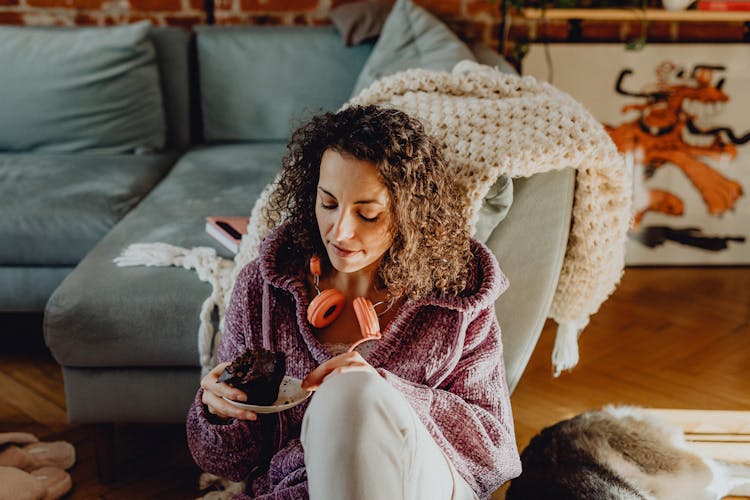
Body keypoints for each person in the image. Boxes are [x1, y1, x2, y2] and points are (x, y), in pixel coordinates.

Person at [186, 105, 521, 500]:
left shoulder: (456, 296)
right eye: (328, 204)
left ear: (408, 216)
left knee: (350, 393)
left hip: (423, 482)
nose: (341, 231)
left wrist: (384, 390)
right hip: (295, 488)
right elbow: (224, 464)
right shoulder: (261, 289)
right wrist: (218, 413)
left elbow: (494, 453)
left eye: (368, 214)